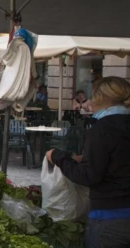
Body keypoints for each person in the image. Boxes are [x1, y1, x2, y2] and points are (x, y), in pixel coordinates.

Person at [46, 77, 130, 247]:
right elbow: (119, 158)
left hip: (110, 217)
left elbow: (88, 176)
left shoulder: (101, 129)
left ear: (100, 98)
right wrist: (84, 159)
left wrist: (58, 157)